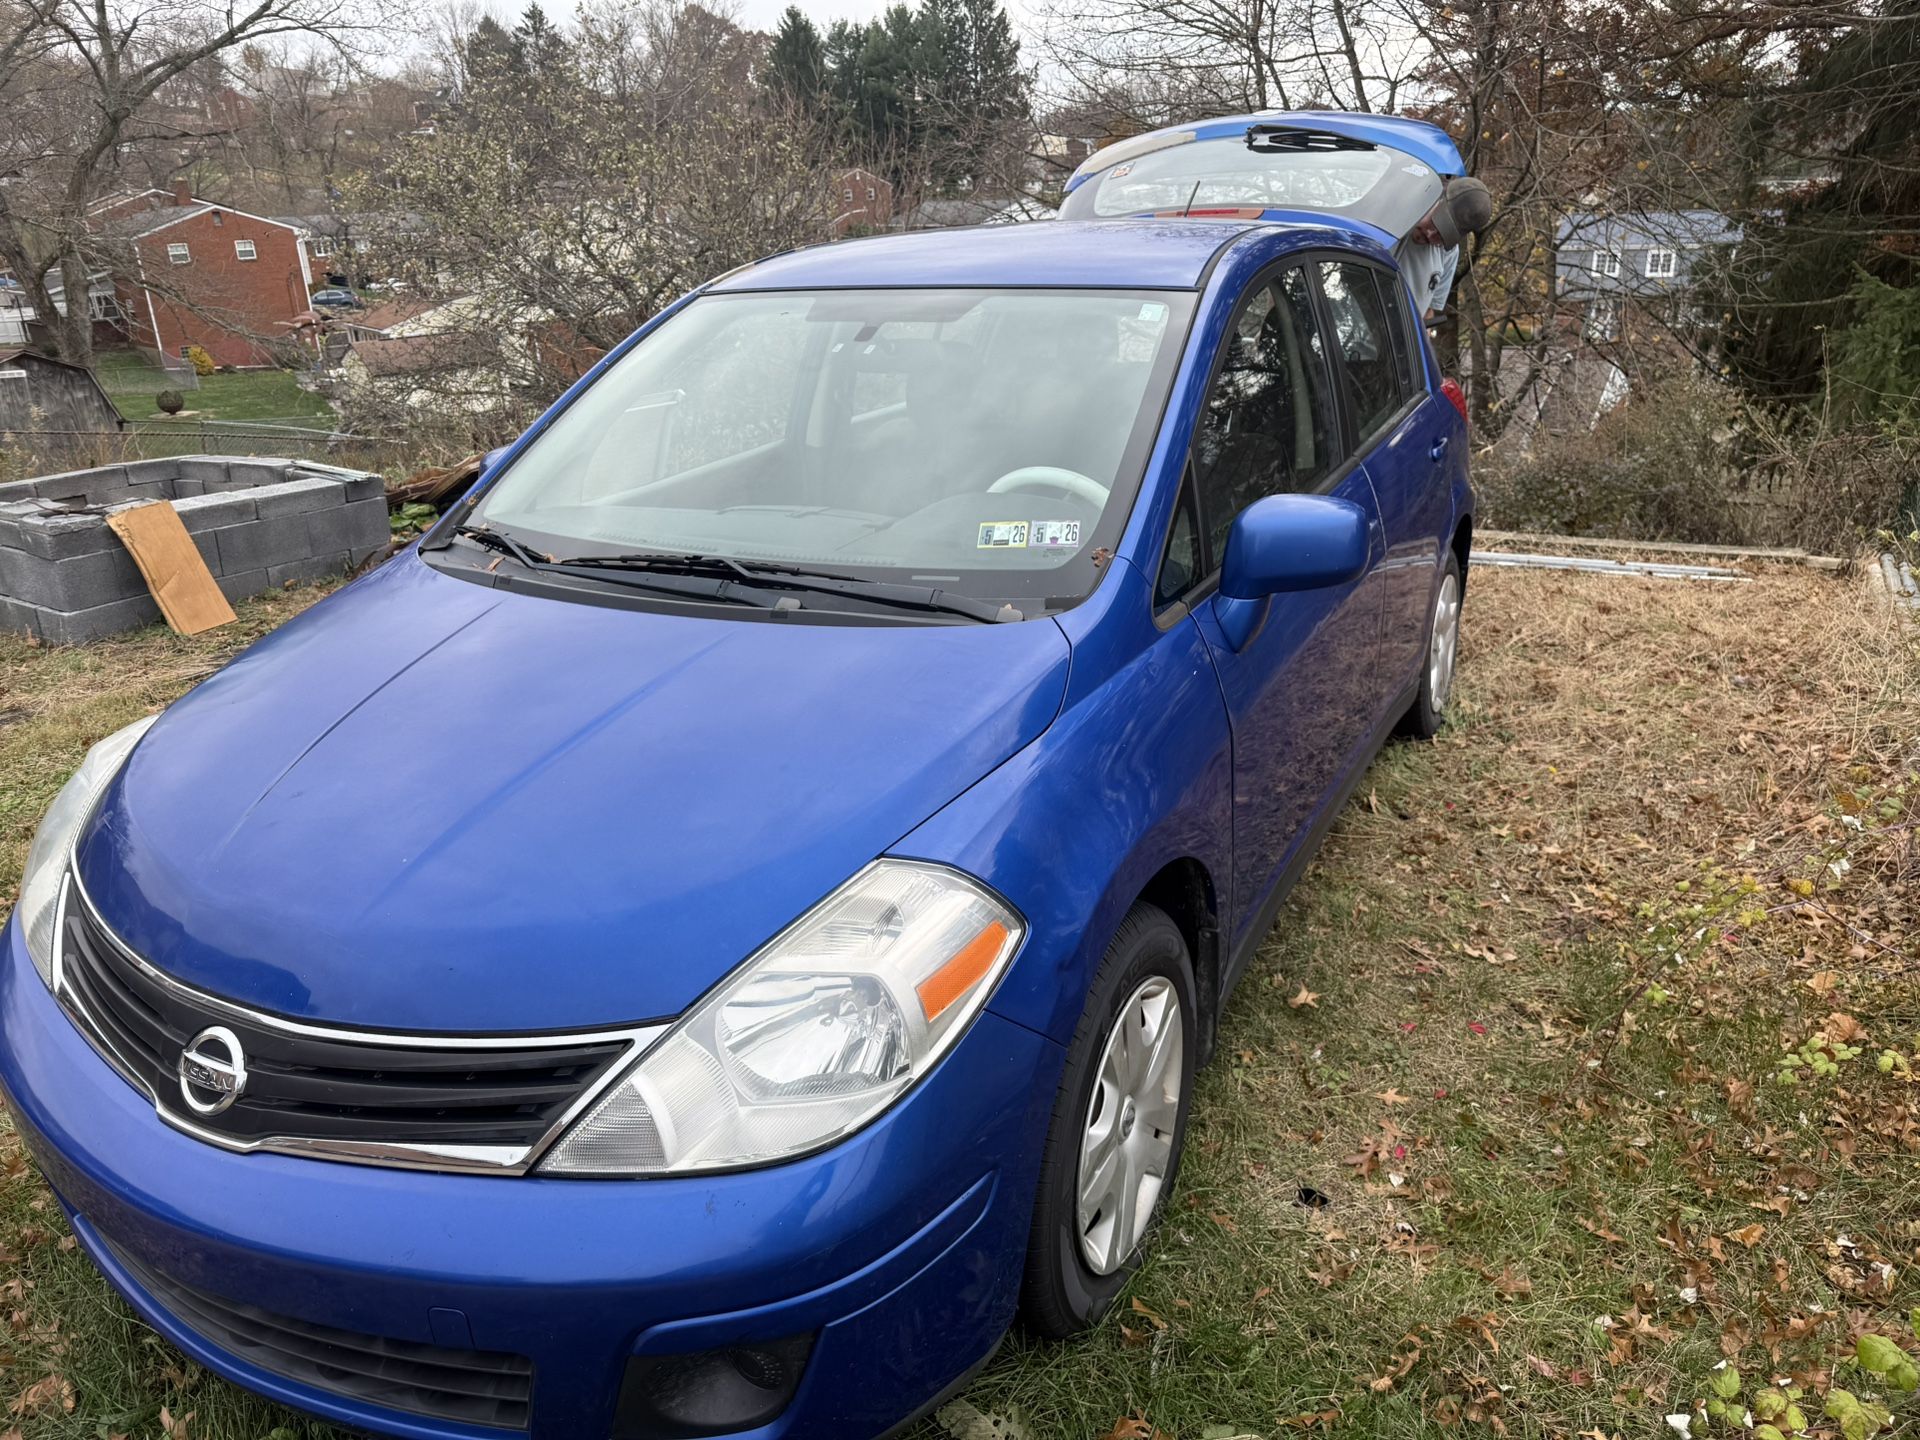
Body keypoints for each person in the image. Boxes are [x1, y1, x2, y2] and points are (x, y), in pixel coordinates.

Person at [1398, 176, 1494, 322]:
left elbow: (1428, 311)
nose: (1430, 235)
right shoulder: (1394, 217)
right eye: (1434, 222)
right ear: (1433, 200)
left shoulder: (1448, 253)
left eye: (1441, 235)